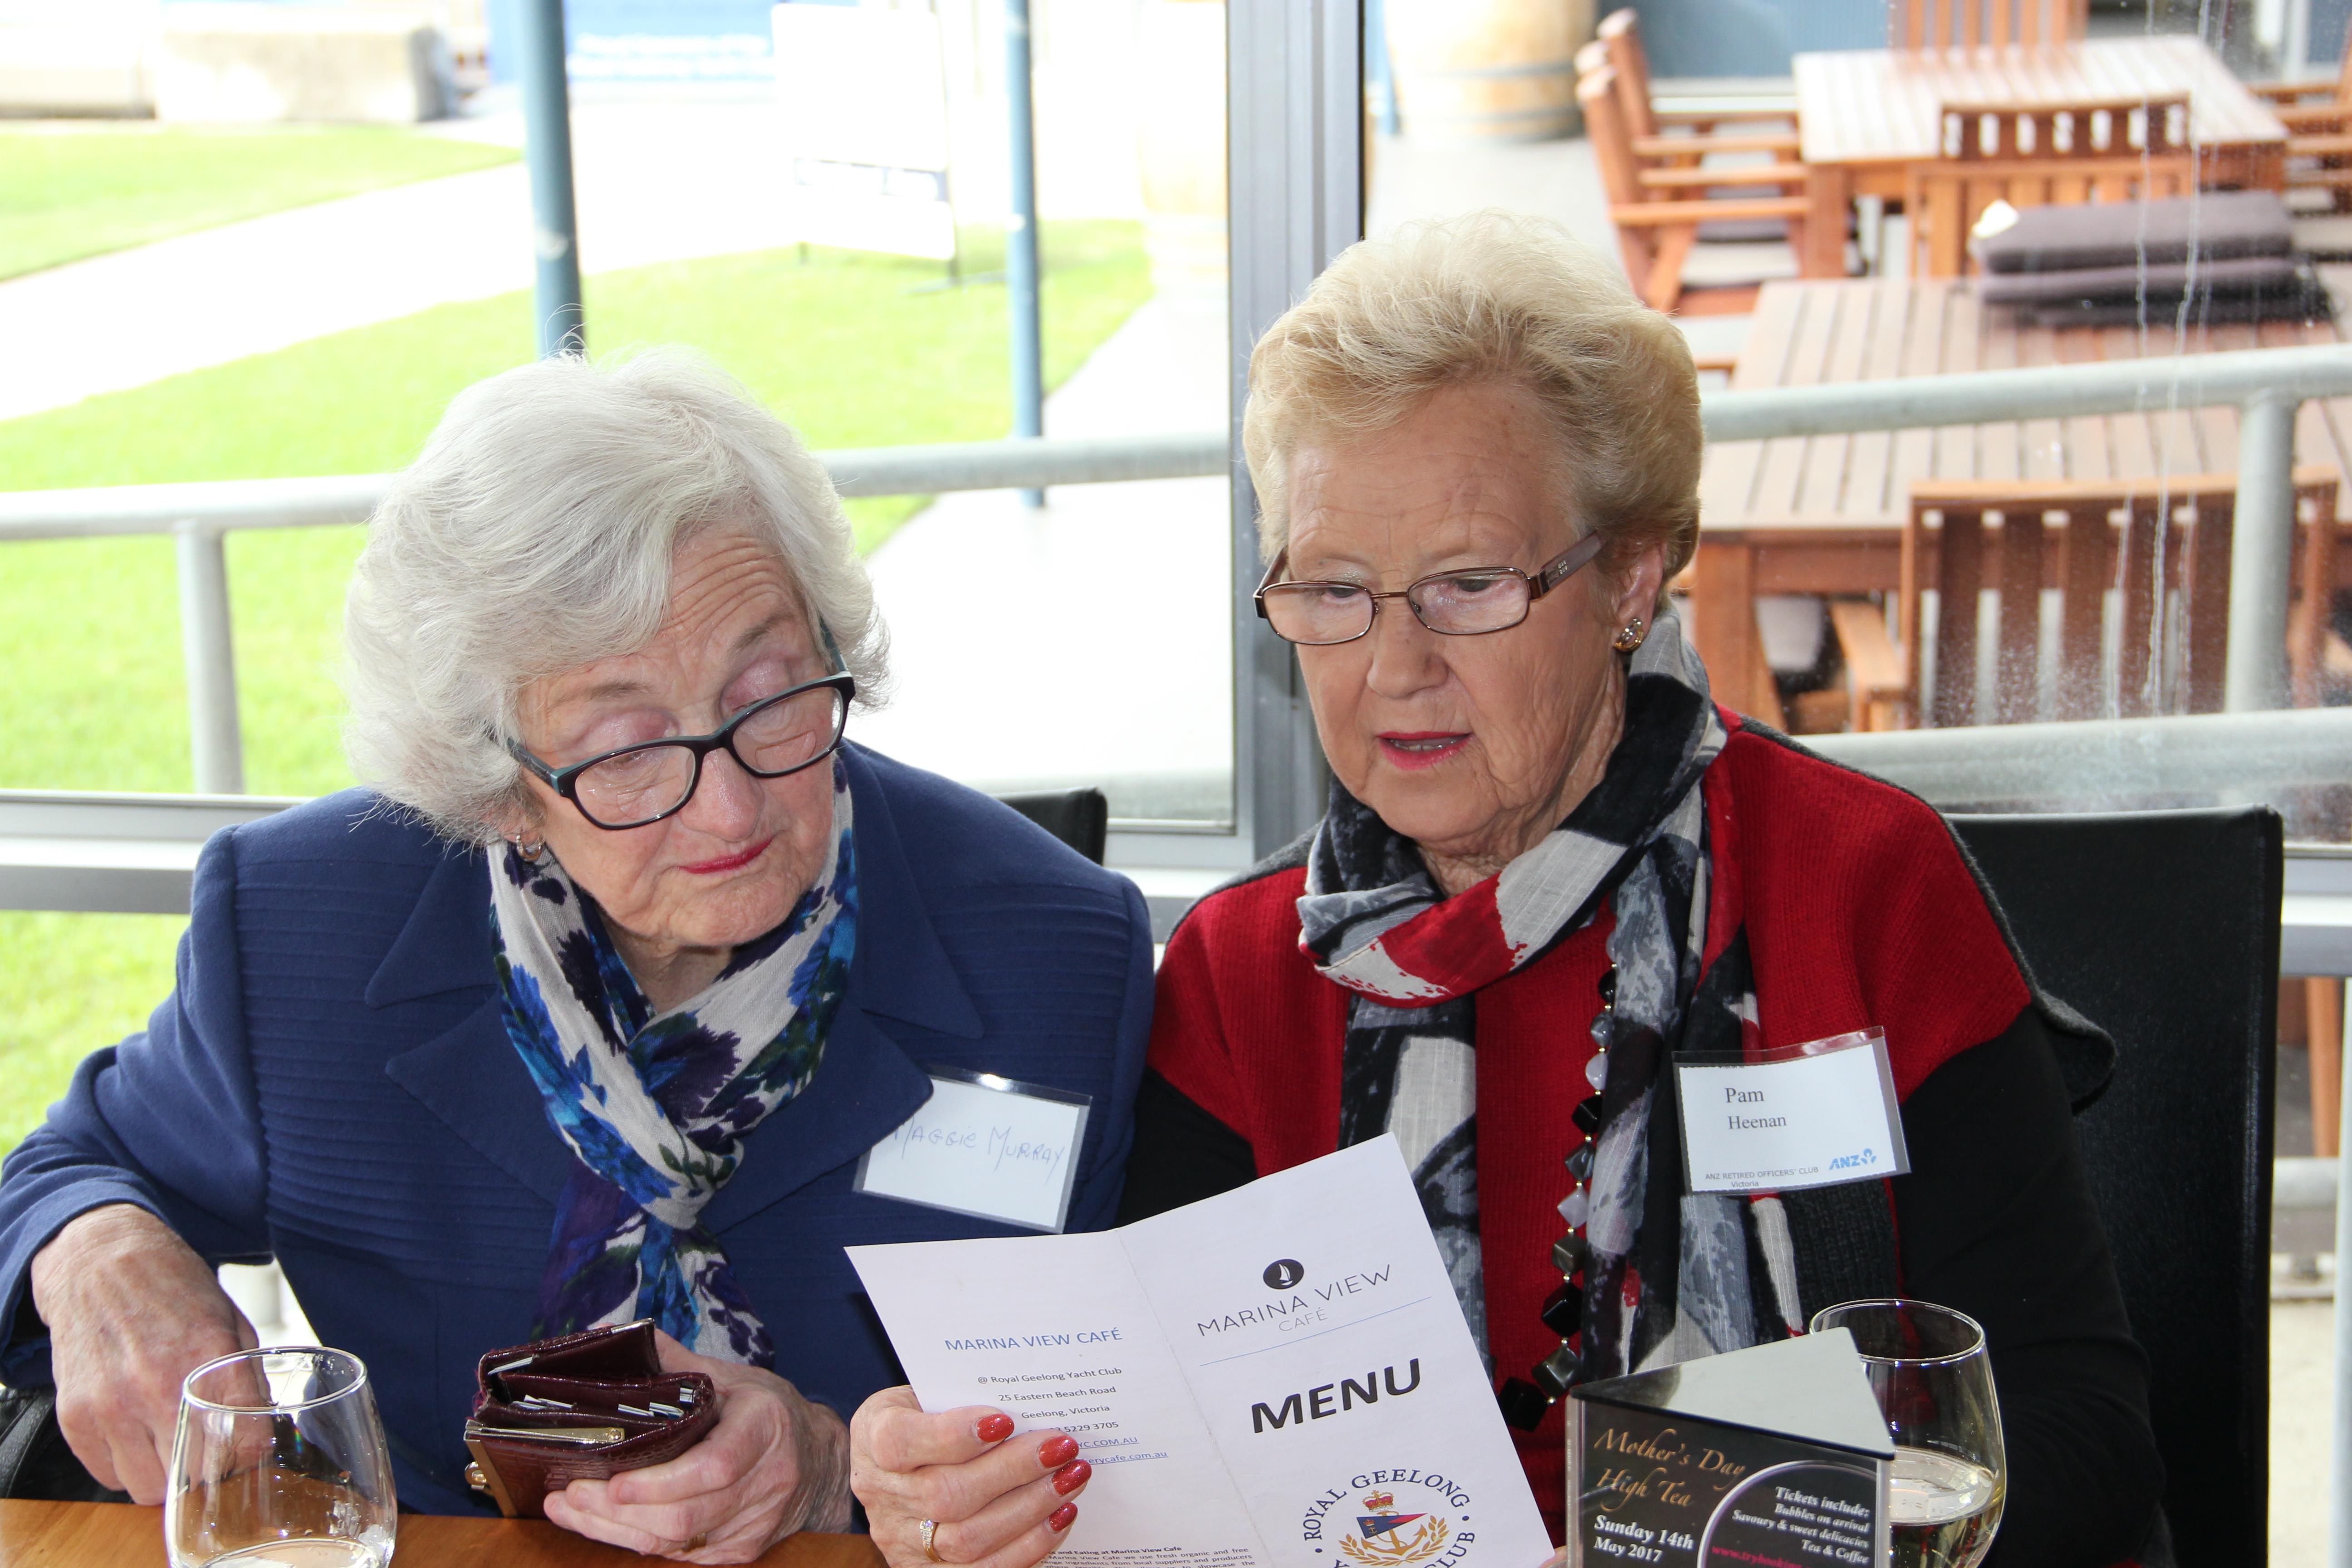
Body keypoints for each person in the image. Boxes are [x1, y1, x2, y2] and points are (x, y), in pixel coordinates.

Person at [1114, 214, 2166, 1566]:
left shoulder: (1858, 882)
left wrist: (1698, 1544)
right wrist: (993, 1471)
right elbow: (1163, 1452)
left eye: (1467, 586)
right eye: (1333, 590)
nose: (1393, 668)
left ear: (1629, 575)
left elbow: (2078, 1440)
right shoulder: (1241, 970)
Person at [0, 352, 1146, 1563]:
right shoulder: (305, 929)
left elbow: (1128, 1431)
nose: (731, 808)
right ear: (497, 789)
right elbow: (67, 1172)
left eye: (768, 694)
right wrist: (96, 1252)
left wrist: (837, 1478)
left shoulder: (1053, 955)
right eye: (625, 749)